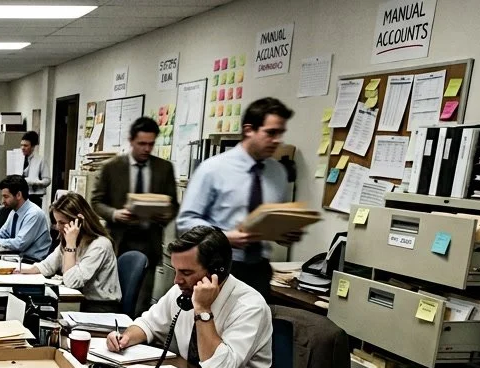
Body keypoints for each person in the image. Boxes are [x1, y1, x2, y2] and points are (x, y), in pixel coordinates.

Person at [105, 226, 274, 368]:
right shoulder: (183, 290)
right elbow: (148, 324)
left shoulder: (250, 306)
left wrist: (202, 310)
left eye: (186, 272)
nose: (176, 280)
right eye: (176, 270)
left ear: (217, 271)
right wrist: (125, 338)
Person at [177, 97, 297, 298]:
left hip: (259, 270)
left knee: (255, 327)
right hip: (219, 268)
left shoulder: (278, 173)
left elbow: (277, 220)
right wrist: (224, 237)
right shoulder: (213, 169)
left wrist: (286, 234)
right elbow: (185, 222)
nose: (277, 140)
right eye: (271, 133)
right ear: (249, 129)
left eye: (281, 133)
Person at [92, 116, 178, 312]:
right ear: (131, 141)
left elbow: (174, 205)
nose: (146, 149)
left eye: (150, 144)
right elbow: (96, 202)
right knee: (114, 293)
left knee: (142, 299)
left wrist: (166, 214)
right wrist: (115, 213)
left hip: (149, 240)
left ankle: (135, 331)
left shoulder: (163, 169)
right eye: (141, 144)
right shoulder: (112, 168)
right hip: (119, 239)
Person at [22, 193, 120, 311]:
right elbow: (48, 266)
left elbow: (71, 282)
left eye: (62, 222)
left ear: (79, 220)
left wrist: (70, 245)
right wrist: (20, 271)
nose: (58, 227)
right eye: (57, 222)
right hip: (81, 300)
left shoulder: (100, 245)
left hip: (100, 306)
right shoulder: (73, 239)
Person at [0, 175, 51, 263]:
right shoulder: (14, 211)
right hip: (18, 257)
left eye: (6, 197)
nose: (2, 201)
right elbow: (3, 233)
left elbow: (19, 244)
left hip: (31, 261)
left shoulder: (34, 214)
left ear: (18, 195)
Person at [19, 131, 50, 206]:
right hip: (20, 195)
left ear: (32, 147)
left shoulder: (40, 160)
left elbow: (47, 180)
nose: (23, 148)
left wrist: (34, 182)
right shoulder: (18, 159)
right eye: (21, 145)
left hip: (34, 196)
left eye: (26, 145)